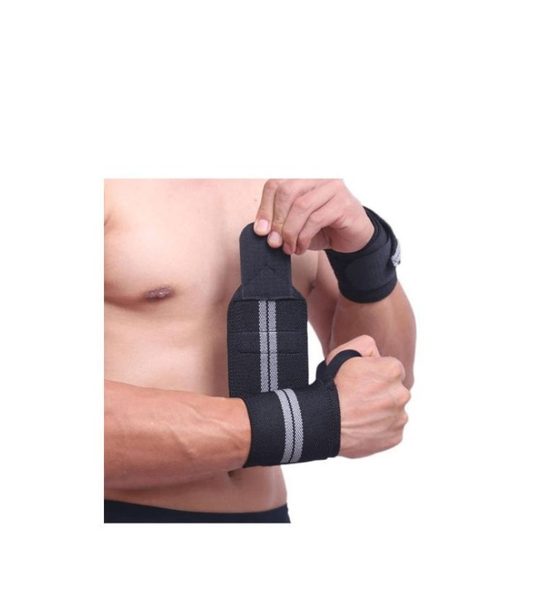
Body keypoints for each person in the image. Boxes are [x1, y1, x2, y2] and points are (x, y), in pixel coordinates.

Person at [104, 178, 416, 523]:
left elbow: (384, 389)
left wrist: (366, 256)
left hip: (267, 514)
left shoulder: (293, 182)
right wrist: (306, 422)